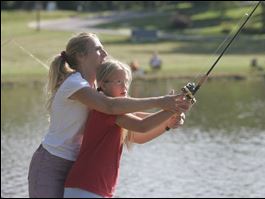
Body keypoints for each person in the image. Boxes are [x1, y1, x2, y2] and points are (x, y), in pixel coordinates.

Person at [27, 32, 191, 198]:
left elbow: (135, 130)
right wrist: (162, 102)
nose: (105, 54)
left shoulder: (96, 92)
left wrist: (169, 119)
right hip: (51, 164)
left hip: (76, 167)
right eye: (98, 49)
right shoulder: (75, 83)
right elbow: (111, 107)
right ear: (81, 56)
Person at [64, 59, 188, 198]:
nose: (124, 86)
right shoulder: (105, 109)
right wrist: (172, 110)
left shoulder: (116, 111)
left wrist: (168, 122)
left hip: (93, 189)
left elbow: (138, 136)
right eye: (118, 82)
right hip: (86, 188)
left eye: (126, 81)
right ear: (103, 84)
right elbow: (142, 126)